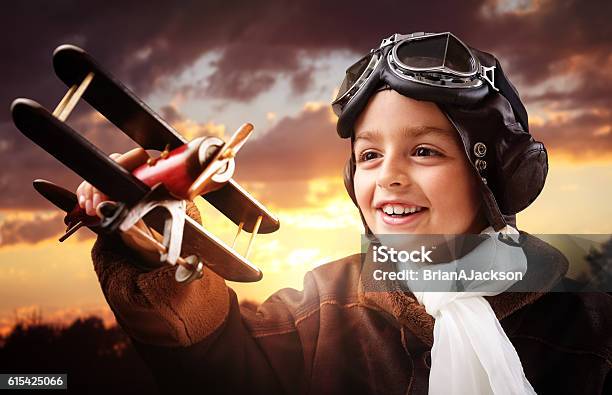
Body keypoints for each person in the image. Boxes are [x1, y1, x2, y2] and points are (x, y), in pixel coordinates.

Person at [79, 32, 611, 394]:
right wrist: (152, 261)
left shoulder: (592, 320)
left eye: (424, 151)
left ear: (499, 174)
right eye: (369, 156)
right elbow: (220, 365)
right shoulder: (323, 307)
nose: (388, 177)